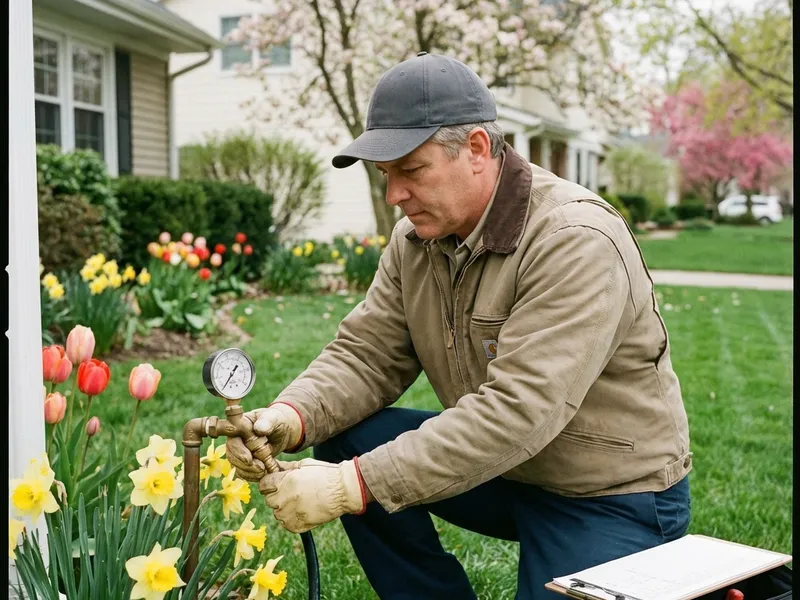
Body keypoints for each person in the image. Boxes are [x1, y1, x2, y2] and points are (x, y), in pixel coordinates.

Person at [227, 52, 693, 600]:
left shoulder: (575, 238)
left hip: (608, 492)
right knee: (345, 436)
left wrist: (352, 486)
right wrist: (290, 416)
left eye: (411, 171)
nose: (393, 195)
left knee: (356, 471)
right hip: (502, 473)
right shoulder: (415, 241)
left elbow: (519, 410)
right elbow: (368, 354)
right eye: (385, 176)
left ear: (475, 149)